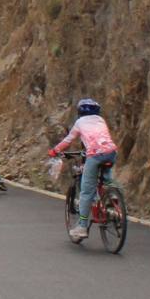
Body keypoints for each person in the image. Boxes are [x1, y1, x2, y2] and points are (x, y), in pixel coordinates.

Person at [48, 97, 117, 242]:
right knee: (106, 176)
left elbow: (69, 139)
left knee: (86, 192)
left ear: (80, 112)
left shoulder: (80, 122)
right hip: (111, 152)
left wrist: (55, 150)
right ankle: (113, 196)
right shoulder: (100, 120)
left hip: (95, 154)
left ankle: (82, 226)